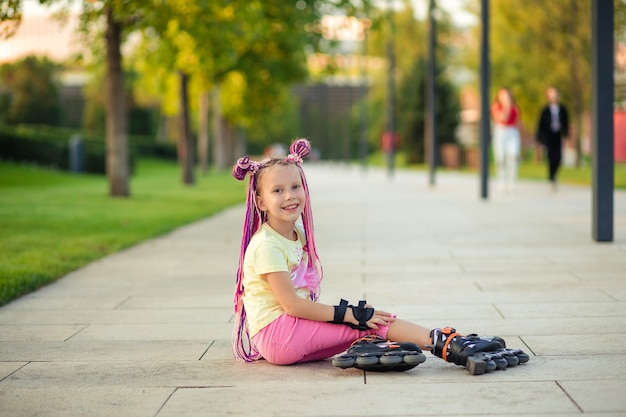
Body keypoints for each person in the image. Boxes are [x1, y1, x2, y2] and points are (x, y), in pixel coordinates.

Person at [231, 138, 529, 375]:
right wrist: (347, 314)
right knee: (369, 320)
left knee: (363, 325)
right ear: (260, 201)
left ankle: (369, 345)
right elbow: (293, 305)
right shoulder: (266, 245)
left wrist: (349, 319)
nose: (290, 196)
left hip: (286, 335)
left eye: (295, 186)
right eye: (278, 191)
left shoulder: (296, 234)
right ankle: (447, 343)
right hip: (278, 335)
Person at [536, 87, 569, 191]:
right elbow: (540, 126)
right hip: (548, 136)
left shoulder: (563, 109)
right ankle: (551, 177)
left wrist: (566, 136)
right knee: (550, 157)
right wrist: (540, 141)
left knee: (558, 157)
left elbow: (566, 124)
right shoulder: (545, 110)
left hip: (558, 135)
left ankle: (554, 175)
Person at [490, 88, 522, 192]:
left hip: (512, 132)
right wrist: (506, 106)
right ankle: (501, 181)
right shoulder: (496, 107)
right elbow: (503, 118)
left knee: (513, 156)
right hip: (501, 131)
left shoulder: (515, 108)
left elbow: (518, 122)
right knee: (501, 157)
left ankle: (512, 181)